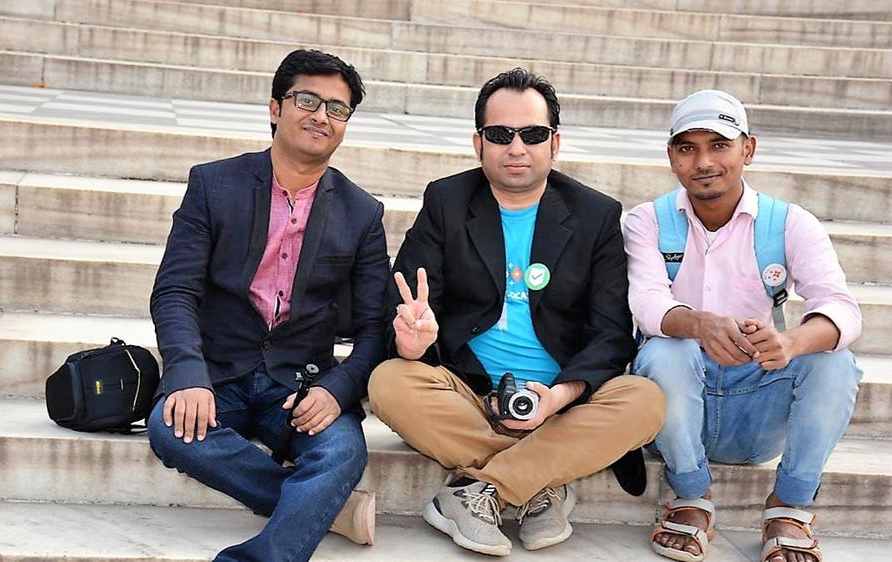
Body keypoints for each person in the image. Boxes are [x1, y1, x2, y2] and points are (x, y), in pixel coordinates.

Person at [367, 68, 666, 557]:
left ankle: (481, 490)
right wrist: (411, 342)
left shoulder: (595, 215)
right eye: (500, 135)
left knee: (646, 398)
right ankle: (538, 482)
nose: (516, 147)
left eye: (533, 134)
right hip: (471, 396)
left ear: (555, 143)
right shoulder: (446, 201)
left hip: (562, 403)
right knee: (389, 381)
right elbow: (405, 307)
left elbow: (612, 335)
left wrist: (557, 397)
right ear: (478, 142)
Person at [147, 49, 389, 562]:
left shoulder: (363, 212)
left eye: (337, 108)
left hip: (300, 385)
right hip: (220, 374)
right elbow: (175, 291)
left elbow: (374, 328)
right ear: (276, 108)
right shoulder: (214, 185)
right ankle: (324, 508)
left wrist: (337, 387)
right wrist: (187, 373)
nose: (321, 116)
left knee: (343, 451)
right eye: (308, 100)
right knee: (169, 427)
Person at [624, 89, 863, 562]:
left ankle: (789, 506)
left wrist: (789, 343)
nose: (704, 161)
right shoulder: (647, 221)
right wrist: (698, 324)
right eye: (687, 147)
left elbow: (842, 308)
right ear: (671, 156)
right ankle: (690, 496)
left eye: (719, 144)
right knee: (665, 348)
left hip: (756, 406)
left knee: (836, 364)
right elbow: (645, 301)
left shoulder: (791, 223)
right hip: (672, 410)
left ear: (747, 149)